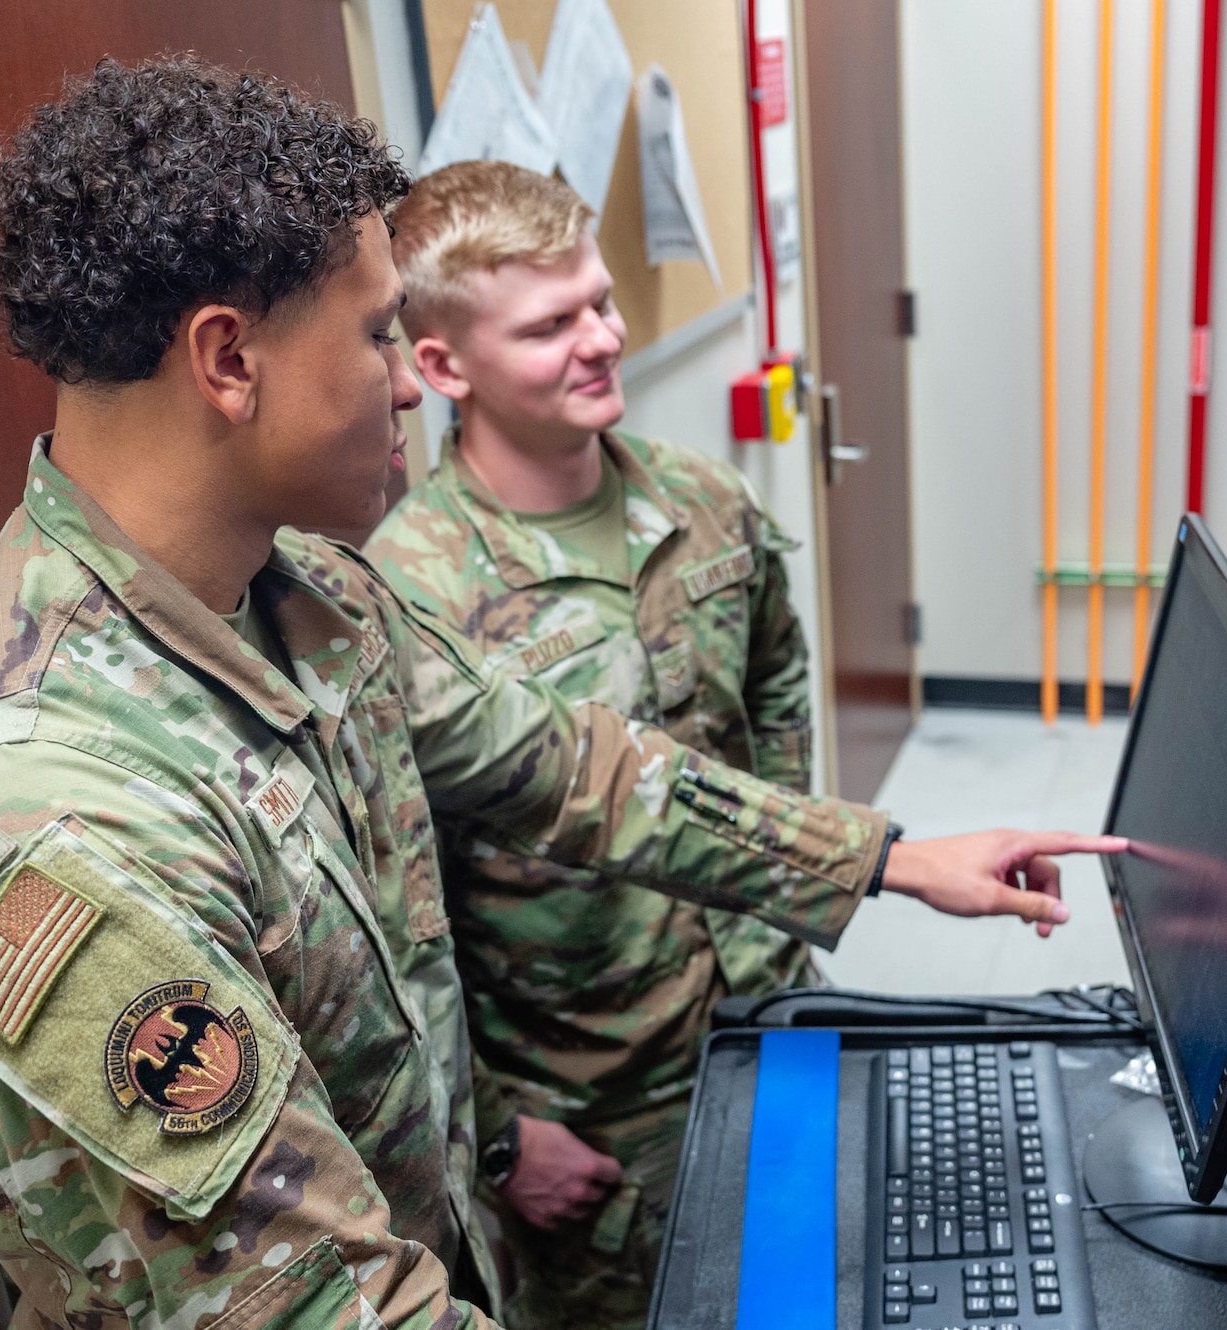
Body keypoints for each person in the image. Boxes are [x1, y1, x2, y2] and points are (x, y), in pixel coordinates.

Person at [0, 57, 1123, 1330]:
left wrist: (892, 856)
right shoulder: (29, 818)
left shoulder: (303, 589)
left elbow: (568, 769)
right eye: (380, 333)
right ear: (227, 359)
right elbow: (313, 1299)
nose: (406, 379)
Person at [363, 159, 853, 1329]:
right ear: (441, 367)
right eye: (549, 324)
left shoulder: (702, 502)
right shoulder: (402, 597)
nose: (601, 337)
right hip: (585, 1104)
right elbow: (390, 923)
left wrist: (782, 898)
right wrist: (493, 1135)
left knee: (811, 1289)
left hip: (770, 1012)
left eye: (599, 300)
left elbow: (774, 691)